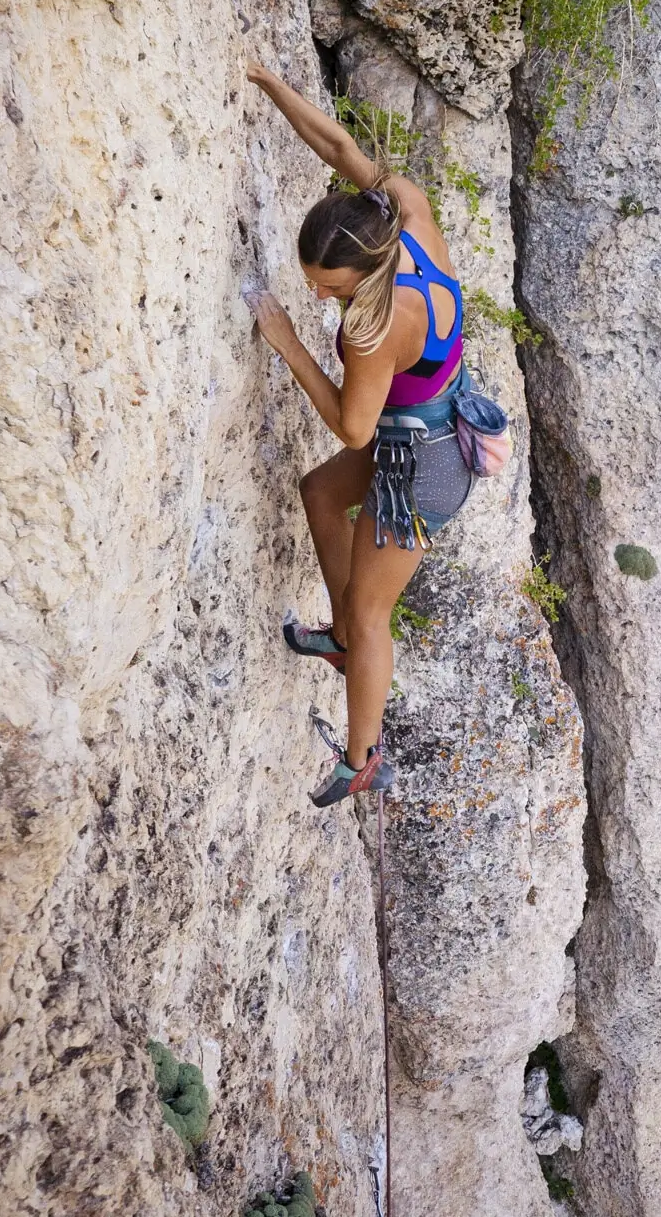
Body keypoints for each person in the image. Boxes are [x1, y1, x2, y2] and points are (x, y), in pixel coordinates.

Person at [244, 62, 475, 807]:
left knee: (375, 612)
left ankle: (362, 756)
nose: (318, 292)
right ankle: (341, 637)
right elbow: (340, 147)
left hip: (424, 467)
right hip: (429, 423)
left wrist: (290, 345)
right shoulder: (402, 210)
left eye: (330, 287)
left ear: (364, 276)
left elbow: (352, 426)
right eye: (313, 279)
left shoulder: (375, 327)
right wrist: (270, 84)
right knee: (320, 493)